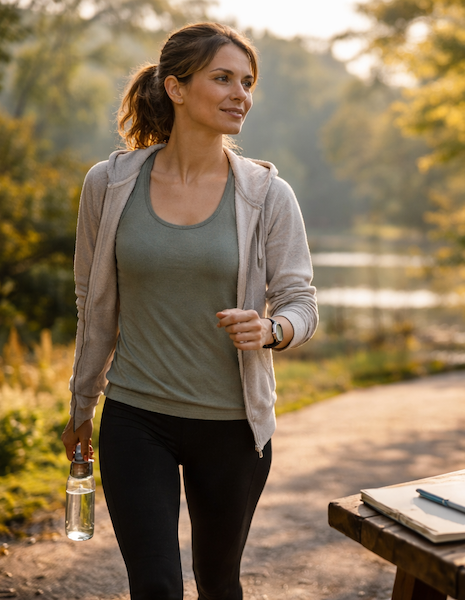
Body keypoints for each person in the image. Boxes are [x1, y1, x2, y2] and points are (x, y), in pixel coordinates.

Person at [60, 22, 318, 600]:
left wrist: (271, 329)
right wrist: (81, 406)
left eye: (247, 83)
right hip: (136, 417)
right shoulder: (109, 184)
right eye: (222, 78)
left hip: (232, 426)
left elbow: (301, 303)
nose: (240, 95)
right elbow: (92, 308)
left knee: (219, 583)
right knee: (154, 584)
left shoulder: (267, 195)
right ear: (175, 88)